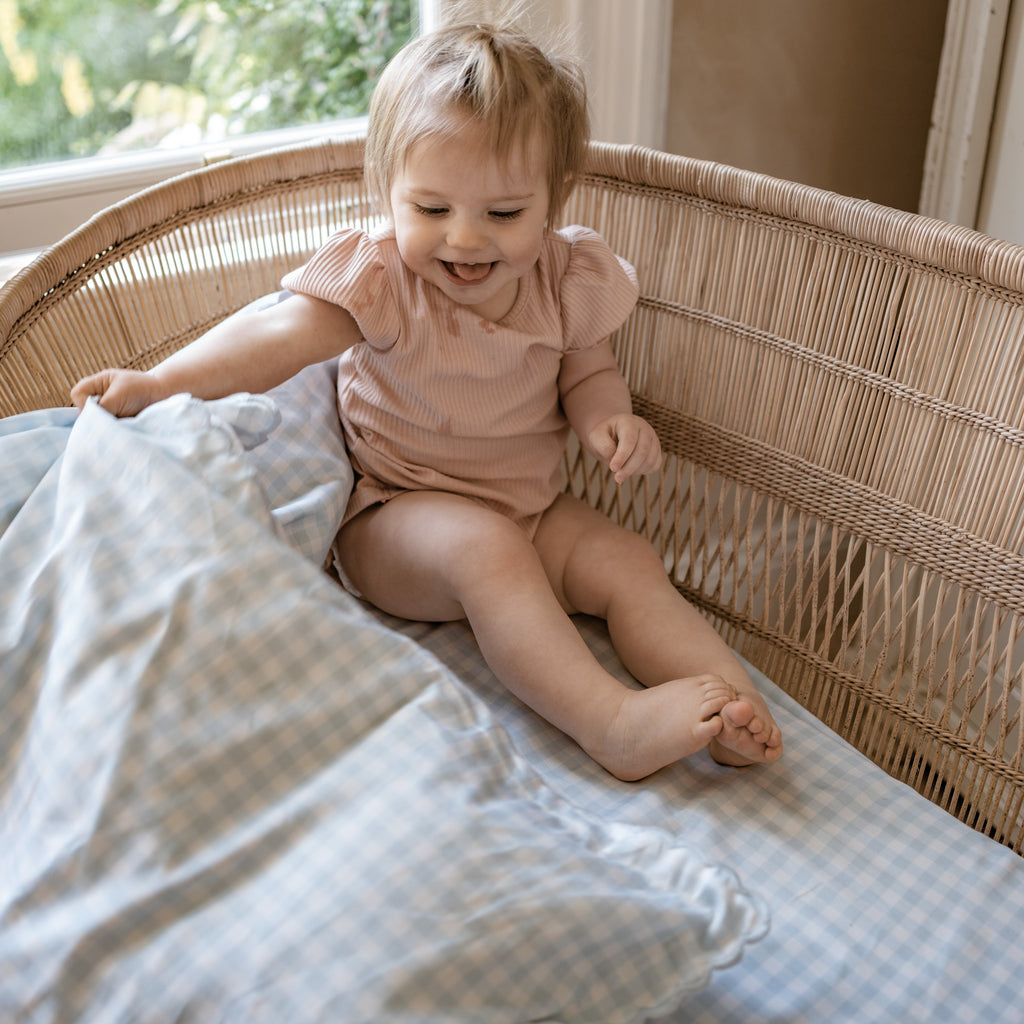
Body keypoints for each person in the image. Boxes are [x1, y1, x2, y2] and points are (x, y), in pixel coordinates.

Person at [71, 15, 782, 780]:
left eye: (503, 214)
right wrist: (157, 384)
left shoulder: (566, 279)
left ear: (553, 201)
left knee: (628, 562)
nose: (466, 241)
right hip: (397, 519)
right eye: (432, 210)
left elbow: (588, 373)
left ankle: (732, 712)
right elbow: (271, 342)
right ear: (387, 193)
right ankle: (610, 723)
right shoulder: (383, 282)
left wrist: (611, 420)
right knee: (487, 551)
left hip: (533, 508)